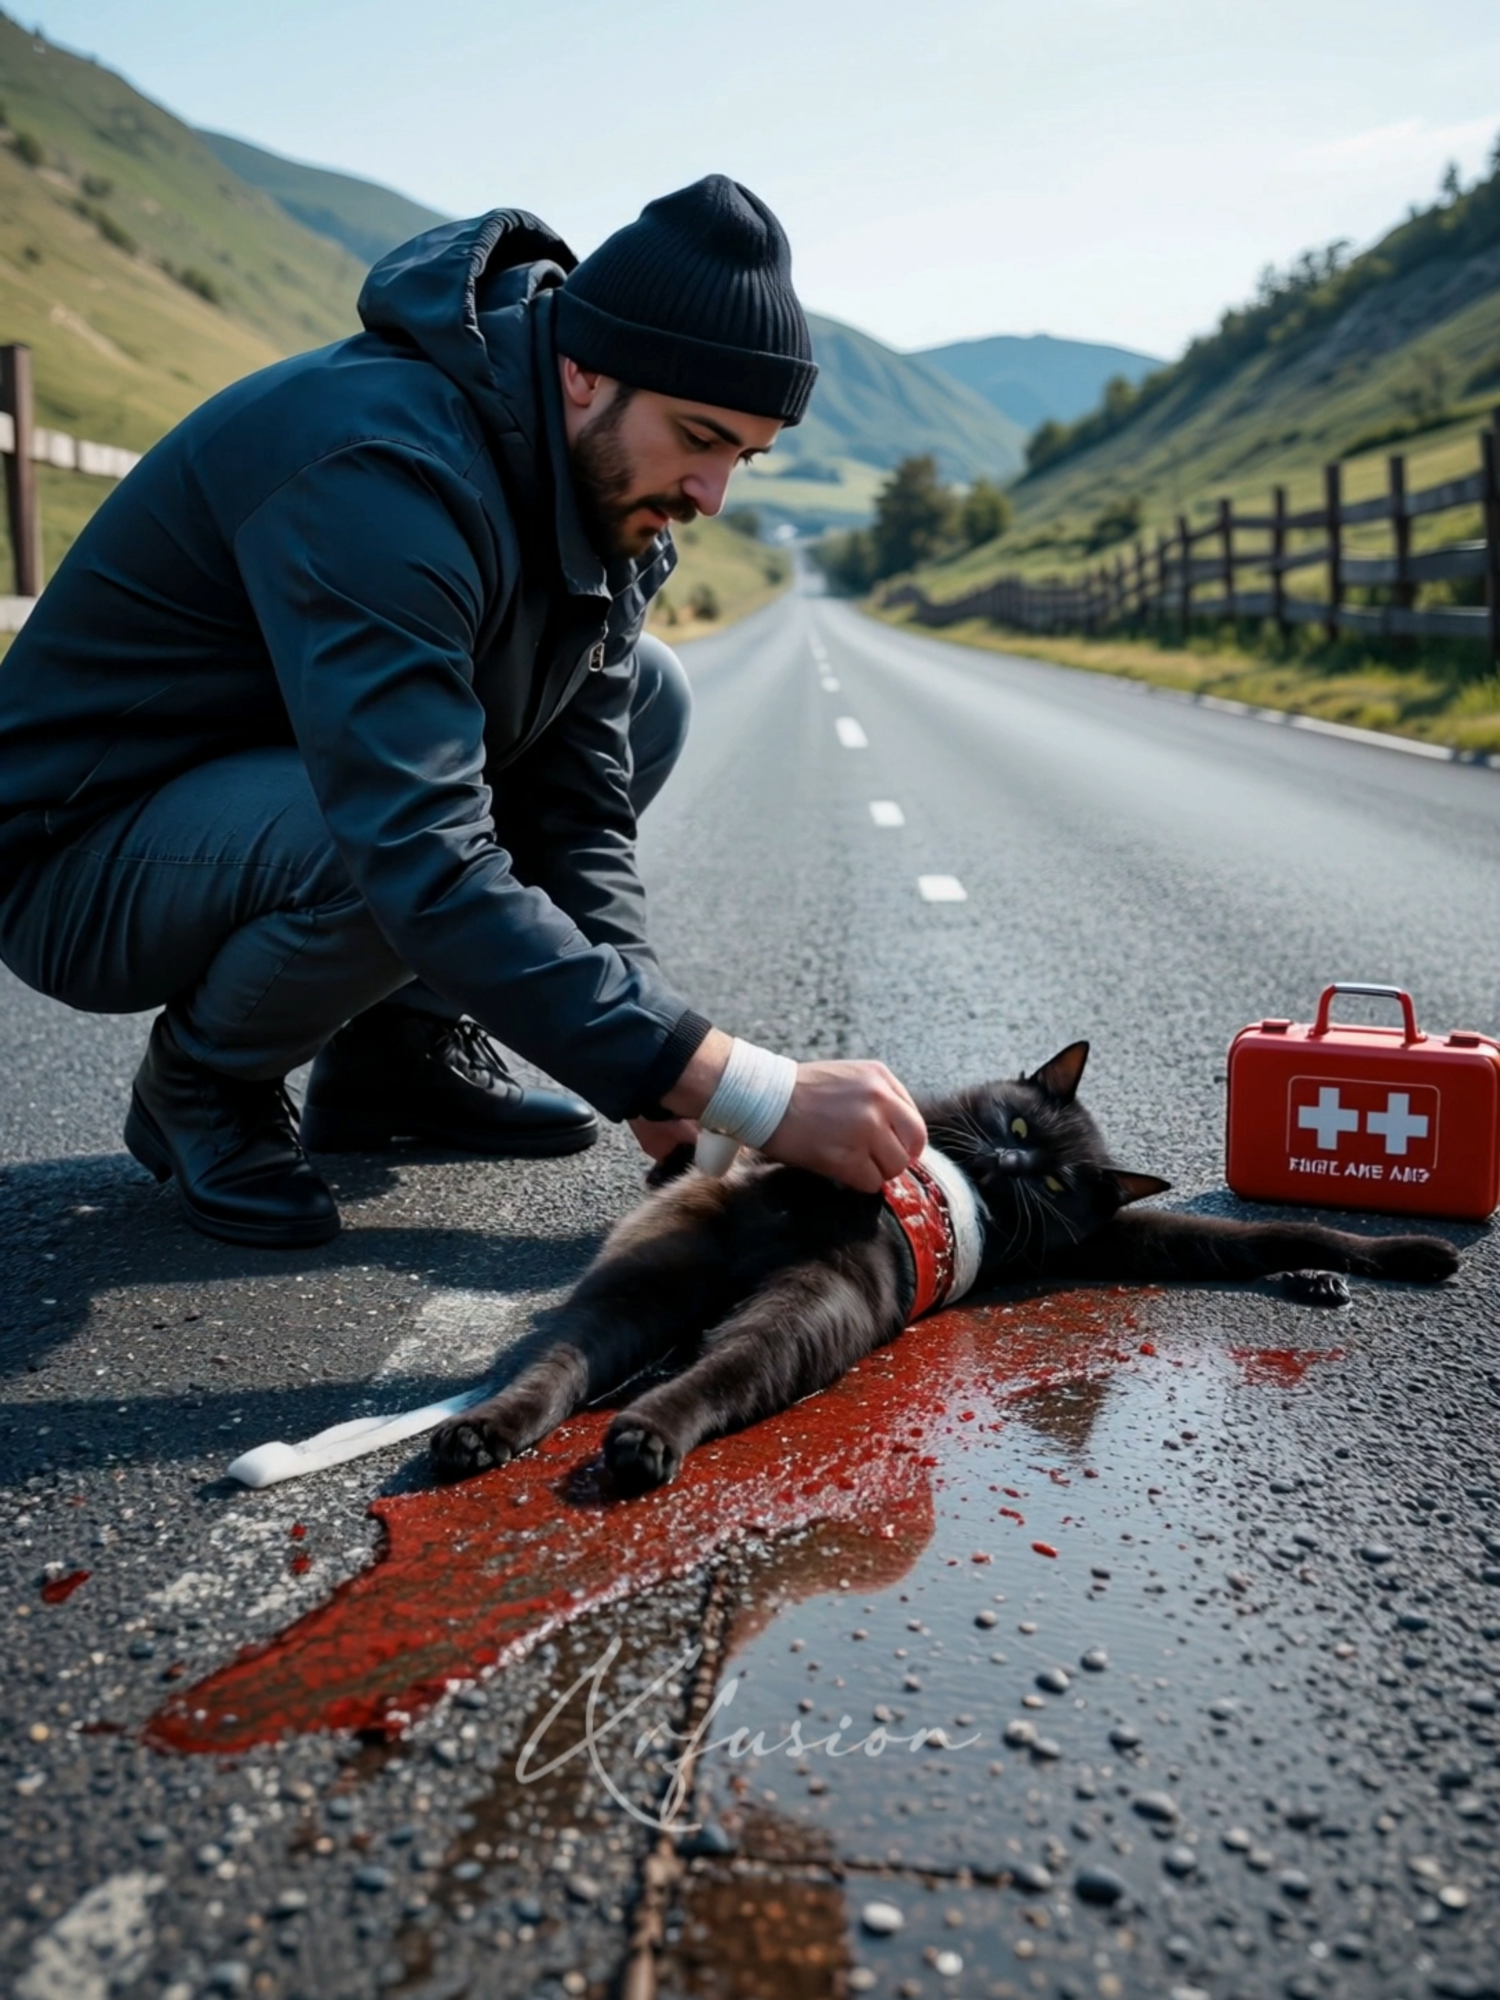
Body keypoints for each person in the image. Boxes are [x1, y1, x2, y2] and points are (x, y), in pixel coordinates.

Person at [0, 176, 924, 1249]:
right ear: (583, 372)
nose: (713, 493)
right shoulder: (380, 465)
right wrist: (745, 1084)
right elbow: (417, 845)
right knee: (383, 840)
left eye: (742, 458)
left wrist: (657, 1071)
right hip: (79, 852)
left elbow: (577, 812)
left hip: (279, 787)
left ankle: (399, 1058)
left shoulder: (603, 496)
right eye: (699, 437)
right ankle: (202, 1081)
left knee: (650, 699)